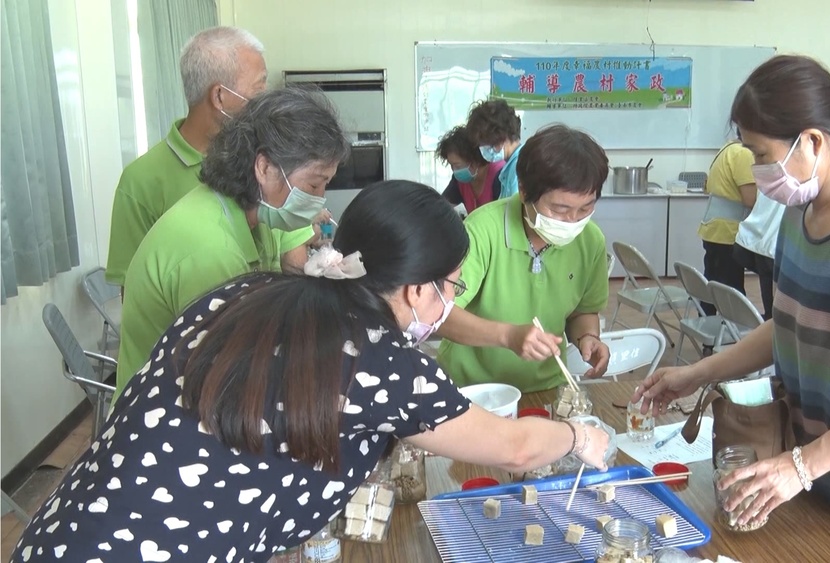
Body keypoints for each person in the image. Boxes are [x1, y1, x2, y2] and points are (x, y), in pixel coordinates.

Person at [11, 181, 612, 562]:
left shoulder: (251, 293)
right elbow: (512, 447)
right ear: (413, 285)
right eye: (450, 288)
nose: (449, 305)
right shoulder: (381, 361)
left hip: (66, 531)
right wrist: (580, 435)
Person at [634, 55, 830, 563]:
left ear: (811, 141)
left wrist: (801, 466)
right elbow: (785, 323)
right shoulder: (799, 215)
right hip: (825, 478)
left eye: (761, 153)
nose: (759, 169)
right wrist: (697, 374)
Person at [114, 86, 350, 400]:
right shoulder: (210, 248)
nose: (319, 199)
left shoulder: (255, 216)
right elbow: (231, 376)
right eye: (314, 184)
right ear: (265, 168)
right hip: (162, 411)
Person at [105, 27, 319, 289]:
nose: (266, 100)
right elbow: (136, 290)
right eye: (259, 87)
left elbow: (293, 258)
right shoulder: (141, 181)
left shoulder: (266, 164)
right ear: (219, 96)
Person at [436, 124, 612, 392]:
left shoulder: (590, 240)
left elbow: (583, 310)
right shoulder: (481, 231)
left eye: (585, 208)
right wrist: (508, 336)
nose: (573, 221)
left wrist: (587, 336)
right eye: (560, 209)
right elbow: (438, 314)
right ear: (524, 190)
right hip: (473, 389)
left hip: (546, 388)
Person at [697, 141, 757, 314]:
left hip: (714, 229)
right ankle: (733, 334)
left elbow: (707, 187)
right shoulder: (744, 154)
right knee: (732, 290)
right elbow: (750, 199)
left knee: (713, 284)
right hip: (727, 233)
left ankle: (709, 332)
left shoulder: (727, 148)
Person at [732, 192, 783, 320]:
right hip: (775, 247)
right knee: (779, 314)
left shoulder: (768, 177)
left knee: (770, 307)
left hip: (761, 243)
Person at [436, 125, 503, 215]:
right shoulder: (460, 180)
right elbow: (441, 207)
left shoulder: (499, 176)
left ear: (475, 160)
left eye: (457, 166)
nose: (454, 170)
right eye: (451, 165)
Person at [465, 99, 522, 199]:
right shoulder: (511, 165)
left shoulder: (519, 168)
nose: (483, 148)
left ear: (502, 136)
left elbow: (518, 212)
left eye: (486, 143)